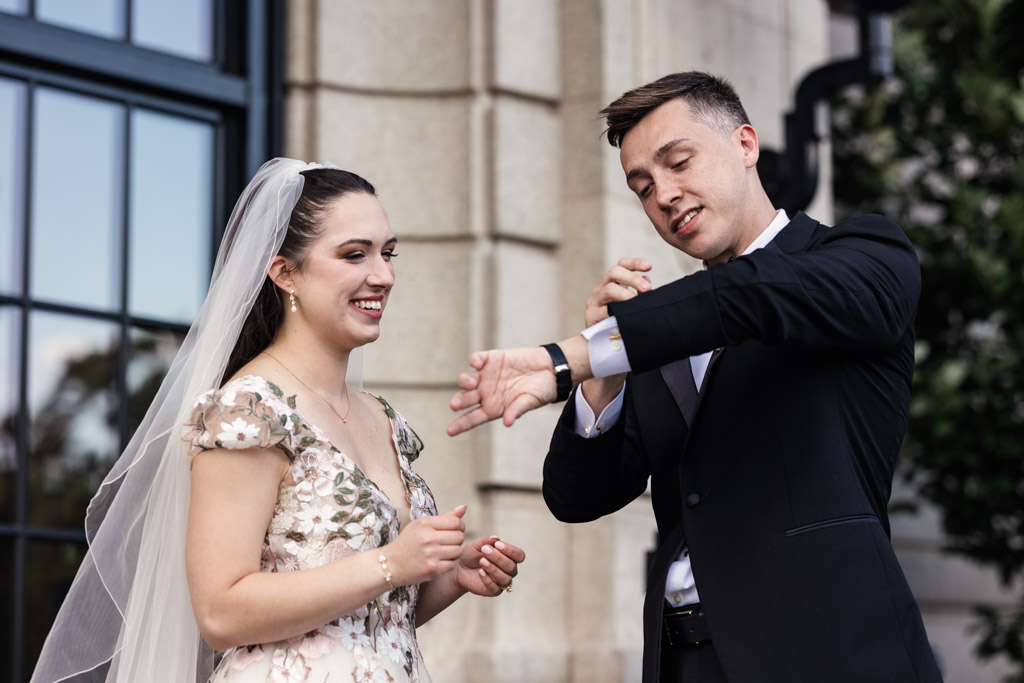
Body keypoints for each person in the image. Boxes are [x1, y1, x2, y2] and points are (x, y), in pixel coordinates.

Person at [447, 72, 942, 682]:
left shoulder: (865, 257)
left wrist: (580, 353)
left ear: (746, 145)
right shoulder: (661, 331)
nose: (664, 194)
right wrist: (605, 374)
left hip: (826, 651)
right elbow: (576, 498)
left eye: (679, 162)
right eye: (643, 186)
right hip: (687, 661)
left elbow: (752, 295)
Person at [32, 158, 524, 683]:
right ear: (285, 272)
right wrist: (391, 563)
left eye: (388, 253)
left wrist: (448, 578)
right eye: (354, 254)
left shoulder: (382, 418)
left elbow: (369, 622)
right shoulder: (251, 410)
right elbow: (222, 613)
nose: (382, 276)